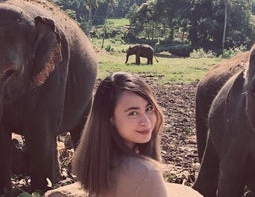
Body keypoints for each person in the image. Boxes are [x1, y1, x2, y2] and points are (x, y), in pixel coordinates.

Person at [46, 72, 201, 196]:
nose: (146, 122)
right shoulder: (145, 172)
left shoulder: (96, 163)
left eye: (149, 108)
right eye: (133, 113)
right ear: (110, 119)